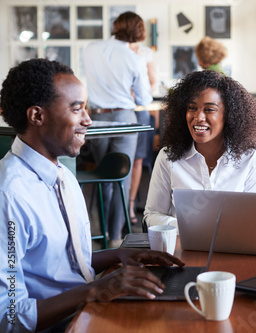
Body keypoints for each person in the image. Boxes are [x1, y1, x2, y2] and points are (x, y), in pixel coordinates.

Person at [0, 58, 184, 332]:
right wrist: (94, 291)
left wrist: (118, 256)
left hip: (84, 310)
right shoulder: (9, 195)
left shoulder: (62, 175)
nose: (88, 120)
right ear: (37, 116)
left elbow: (61, 263)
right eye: (77, 109)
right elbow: (10, 316)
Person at [143, 70, 256, 228]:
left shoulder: (250, 160)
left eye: (209, 109)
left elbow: (254, 220)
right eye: (192, 108)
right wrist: (185, 228)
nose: (198, 117)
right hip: (181, 249)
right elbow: (152, 214)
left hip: (231, 249)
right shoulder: (168, 157)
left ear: (228, 115)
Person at [83, 11, 153, 247]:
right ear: (138, 31)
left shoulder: (91, 48)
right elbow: (144, 97)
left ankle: (102, 237)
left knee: (104, 177)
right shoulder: (135, 58)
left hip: (97, 119)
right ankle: (115, 240)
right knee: (121, 177)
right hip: (124, 118)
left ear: (116, 26)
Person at [128, 38, 158, 224]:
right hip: (121, 109)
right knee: (122, 160)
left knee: (137, 159)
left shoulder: (146, 53)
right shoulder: (115, 52)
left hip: (140, 110)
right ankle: (117, 206)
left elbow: (153, 82)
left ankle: (130, 205)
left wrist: (141, 94)